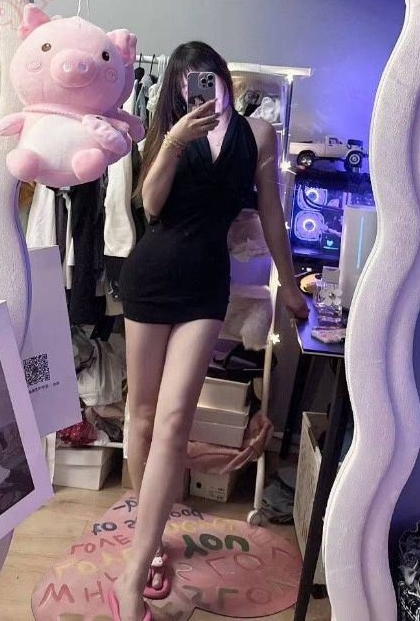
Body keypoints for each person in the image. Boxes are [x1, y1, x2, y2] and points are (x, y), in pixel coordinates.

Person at [111, 41, 308, 621]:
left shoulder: (259, 135)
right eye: (188, 80)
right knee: (141, 415)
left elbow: (271, 212)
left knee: (175, 421)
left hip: (204, 289)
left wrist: (290, 283)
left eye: (209, 76)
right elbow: (151, 206)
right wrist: (173, 141)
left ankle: (133, 571)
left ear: (224, 78)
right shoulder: (168, 133)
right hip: (150, 278)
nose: (201, 87)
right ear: (177, 87)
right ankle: (148, 541)